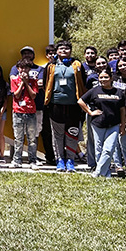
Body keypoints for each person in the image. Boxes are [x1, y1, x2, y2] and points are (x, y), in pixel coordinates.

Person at [44, 40, 86, 173]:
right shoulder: (51, 66)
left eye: (67, 49)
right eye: (61, 49)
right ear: (56, 51)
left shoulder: (77, 64)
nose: (64, 51)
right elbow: (46, 83)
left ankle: (71, 160)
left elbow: (82, 82)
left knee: (72, 133)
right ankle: (60, 161)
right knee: (57, 135)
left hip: (73, 106)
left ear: (71, 51)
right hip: (56, 105)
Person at [78, 68, 126, 178]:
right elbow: (80, 101)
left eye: (106, 77)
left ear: (111, 78)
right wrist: (90, 112)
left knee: (109, 149)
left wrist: (123, 125)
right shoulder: (95, 90)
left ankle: (98, 172)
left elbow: (123, 110)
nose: (103, 79)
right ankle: (106, 173)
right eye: (101, 77)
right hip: (98, 124)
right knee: (99, 150)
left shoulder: (118, 92)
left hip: (113, 124)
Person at [11, 59, 39, 169]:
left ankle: (32, 160)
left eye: (26, 68)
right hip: (18, 112)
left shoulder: (33, 81)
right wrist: (22, 82)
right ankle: (17, 160)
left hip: (31, 112)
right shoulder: (14, 80)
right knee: (18, 138)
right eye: (21, 68)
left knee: (31, 138)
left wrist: (27, 83)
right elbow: (16, 95)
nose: (24, 70)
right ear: (18, 69)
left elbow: (33, 95)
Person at [83, 56, 108, 170]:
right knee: (92, 138)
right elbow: (86, 95)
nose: (101, 65)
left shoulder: (112, 77)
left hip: (109, 111)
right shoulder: (91, 78)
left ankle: (106, 162)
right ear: (95, 65)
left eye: (104, 62)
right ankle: (92, 163)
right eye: (99, 63)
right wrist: (90, 111)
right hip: (94, 110)